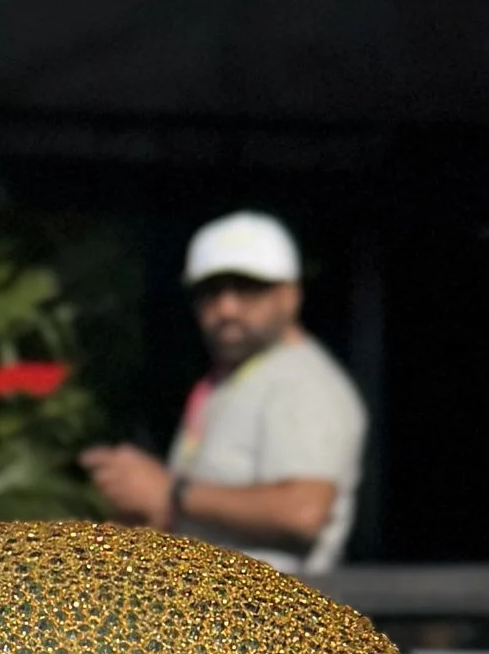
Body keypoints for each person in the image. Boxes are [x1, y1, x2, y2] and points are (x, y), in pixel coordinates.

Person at [80, 211, 369, 577]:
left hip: (272, 621)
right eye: (210, 292)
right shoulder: (231, 380)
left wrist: (171, 493)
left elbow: (304, 512)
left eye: (248, 288)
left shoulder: (302, 381)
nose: (226, 308)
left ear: (290, 295)